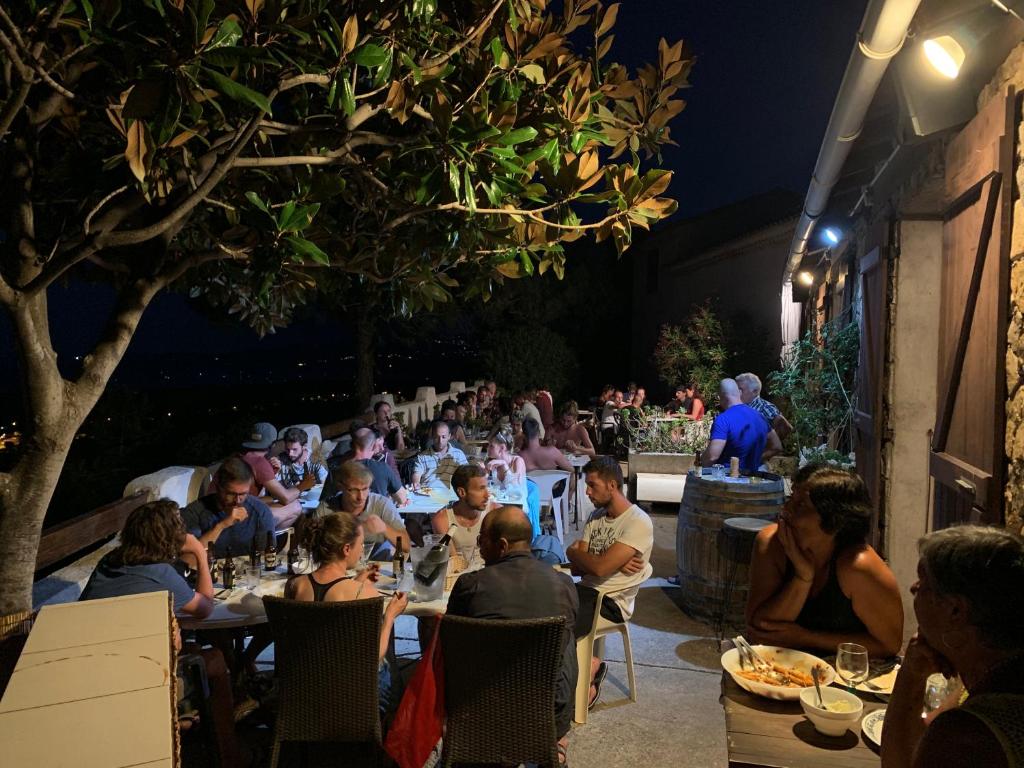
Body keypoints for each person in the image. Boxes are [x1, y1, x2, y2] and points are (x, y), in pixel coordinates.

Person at [80, 501, 244, 767]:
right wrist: (201, 555)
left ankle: (188, 722)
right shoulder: (161, 574)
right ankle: (229, 755)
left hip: (97, 664)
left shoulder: (107, 563)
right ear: (170, 537)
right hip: (142, 672)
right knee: (214, 659)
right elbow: (205, 607)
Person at [880, 526, 1024, 768]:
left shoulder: (968, 737)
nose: (913, 588)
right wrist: (912, 671)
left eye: (924, 582)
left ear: (955, 610)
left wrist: (909, 679)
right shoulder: (989, 676)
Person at [447, 506, 578, 764]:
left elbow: (451, 644)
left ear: (502, 545)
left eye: (482, 538)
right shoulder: (563, 584)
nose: (479, 545)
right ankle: (554, 744)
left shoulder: (470, 585)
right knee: (567, 638)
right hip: (547, 706)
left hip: (480, 703)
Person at [745, 464, 903, 656]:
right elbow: (760, 629)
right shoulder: (771, 544)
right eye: (790, 498)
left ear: (835, 520)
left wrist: (805, 637)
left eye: (801, 505)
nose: (786, 509)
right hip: (778, 670)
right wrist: (803, 577)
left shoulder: (858, 568)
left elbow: (889, 645)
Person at [284, 512, 408, 715]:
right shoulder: (363, 593)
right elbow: (374, 654)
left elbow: (324, 610)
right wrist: (390, 617)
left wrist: (357, 581)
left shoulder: (296, 585)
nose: (361, 551)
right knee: (390, 665)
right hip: (354, 693)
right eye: (360, 544)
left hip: (307, 686)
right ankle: (391, 729)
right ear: (346, 549)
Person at [567, 456, 653, 710]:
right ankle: (580, 673)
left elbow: (598, 567)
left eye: (592, 485)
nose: (587, 491)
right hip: (585, 592)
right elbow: (577, 568)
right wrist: (595, 559)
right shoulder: (596, 517)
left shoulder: (638, 522)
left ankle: (586, 680)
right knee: (545, 599)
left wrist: (577, 552)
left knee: (558, 618)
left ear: (612, 485)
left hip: (611, 601)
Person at [181, 458, 277, 559]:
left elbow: (268, 556)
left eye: (243, 494)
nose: (237, 500)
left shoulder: (260, 511)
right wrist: (222, 525)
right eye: (231, 494)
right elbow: (188, 559)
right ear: (218, 488)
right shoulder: (195, 512)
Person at [318, 461, 409, 558]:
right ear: (341, 487)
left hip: (375, 564)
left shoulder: (382, 504)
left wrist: (385, 528)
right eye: (353, 490)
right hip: (339, 562)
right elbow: (311, 545)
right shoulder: (326, 509)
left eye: (365, 489)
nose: (360, 497)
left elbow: (406, 545)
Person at [227, 422, 303, 529]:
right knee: (296, 506)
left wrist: (272, 471)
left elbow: (249, 496)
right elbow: (285, 498)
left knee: (270, 501)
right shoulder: (259, 462)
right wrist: (303, 485)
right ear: (272, 445)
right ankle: (266, 543)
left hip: (220, 516)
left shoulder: (236, 457)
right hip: (236, 522)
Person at [702, 378, 780, 472]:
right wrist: (756, 459)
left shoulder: (723, 420)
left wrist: (700, 466)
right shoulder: (760, 417)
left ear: (720, 397)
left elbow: (712, 457)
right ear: (739, 392)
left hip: (728, 480)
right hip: (753, 478)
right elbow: (777, 446)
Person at [430, 464, 496, 562]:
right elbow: (454, 562)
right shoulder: (442, 519)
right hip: (459, 573)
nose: (487, 495)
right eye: (481, 489)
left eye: (487, 488)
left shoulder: (494, 512)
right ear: (462, 492)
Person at [348, 427, 408, 505]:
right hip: (376, 515)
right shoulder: (382, 468)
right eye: (379, 445)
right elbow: (402, 499)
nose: (382, 448)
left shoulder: (336, 471)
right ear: (373, 445)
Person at [270, 426, 327, 505]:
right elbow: (275, 492)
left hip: (311, 502)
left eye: (294, 449)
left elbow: (324, 485)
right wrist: (276, 471)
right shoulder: (281, 460)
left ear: (304, 446)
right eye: (287, 449)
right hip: (289, 502)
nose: (290, 454)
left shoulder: (316, 460)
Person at [736, 372, 793, 441]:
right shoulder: (742, 407)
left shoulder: (764, 407)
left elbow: (786, 428)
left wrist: (769, 447)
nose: (737, 393)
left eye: (741, 389)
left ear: (754, 391)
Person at [412, 420, 468, 488]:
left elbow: (466, 473)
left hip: (451, 493)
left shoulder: (458, 454)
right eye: (436, 437)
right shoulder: (422, 456)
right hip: (428, 493)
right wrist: (416, 483)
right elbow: (417, 474)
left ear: (449, 436)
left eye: (443, 437)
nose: (440, 441)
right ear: (432, 437)